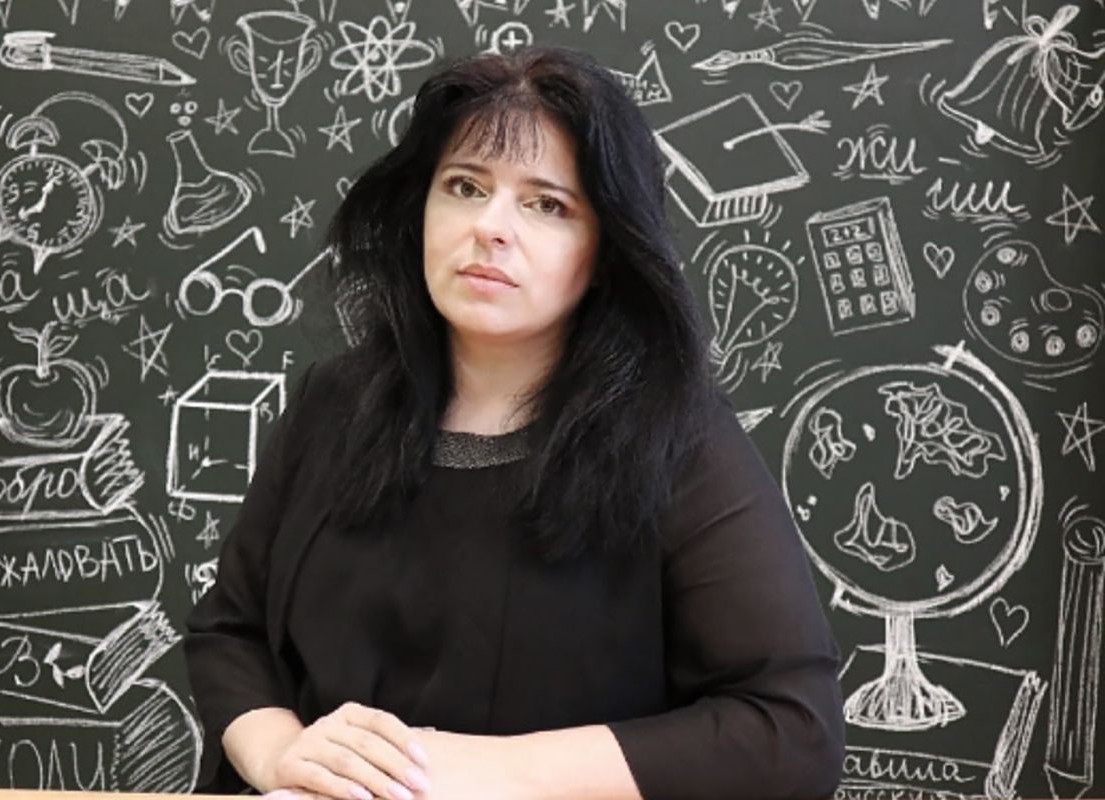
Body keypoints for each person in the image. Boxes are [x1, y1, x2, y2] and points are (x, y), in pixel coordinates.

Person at [184, 46, 845, 800]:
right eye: (464, 187)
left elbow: (792, 731)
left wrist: (453, 771)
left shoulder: (682, 438)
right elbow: (227, 631)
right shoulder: (332, 402)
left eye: (547, 205)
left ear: (605, 251)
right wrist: (281, 754)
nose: (490, 227)